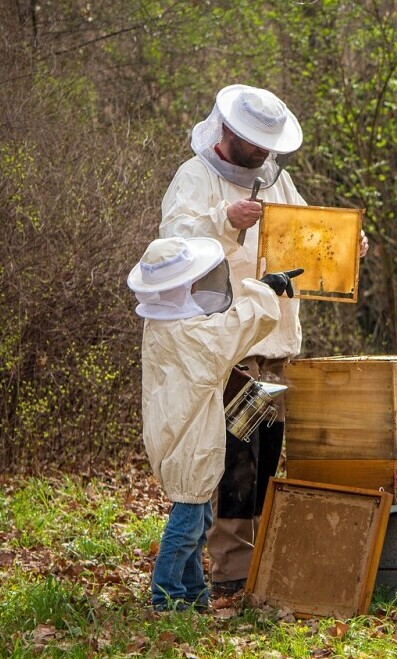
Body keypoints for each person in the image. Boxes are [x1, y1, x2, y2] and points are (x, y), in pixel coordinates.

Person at [159, 84, 368, 597]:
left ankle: (261, 564)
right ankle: (231, 567)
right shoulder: (195, 177)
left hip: (277, 342)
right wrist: (223, 221)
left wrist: (347, 247)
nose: (263, 153)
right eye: (255, 143)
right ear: (228, 131)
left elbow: (305, 240)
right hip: (227, 342)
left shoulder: (278, 178)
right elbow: (170, 248)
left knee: (269, 454)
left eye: (268, 144)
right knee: (236, 457)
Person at [127, 235, 302, 611]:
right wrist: (263, 289)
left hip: (177, 431)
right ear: (180, 287)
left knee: (197, 512)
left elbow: (217, 326)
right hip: (188, 439)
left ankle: (193, 593)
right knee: (189, 520)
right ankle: (167, 596)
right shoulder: (192, 336)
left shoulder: (163, 327)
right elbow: (234, 330)